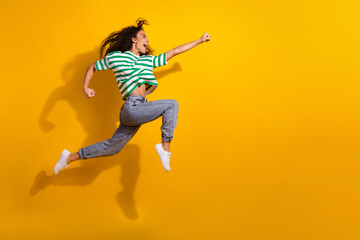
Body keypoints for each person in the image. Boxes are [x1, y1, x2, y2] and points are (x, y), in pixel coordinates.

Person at [53, 18, 211, 174]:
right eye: (144, 36)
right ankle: (165, 148)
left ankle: (69, 158)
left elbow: (174, 51)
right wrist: (85, 87)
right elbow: (92, 67)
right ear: (133, 39)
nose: (147, 41)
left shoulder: (147, 61)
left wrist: (200, 40)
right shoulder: (116, 57)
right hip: (132, 107)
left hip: (139, 108)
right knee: (172, 104)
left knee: (113, 147)